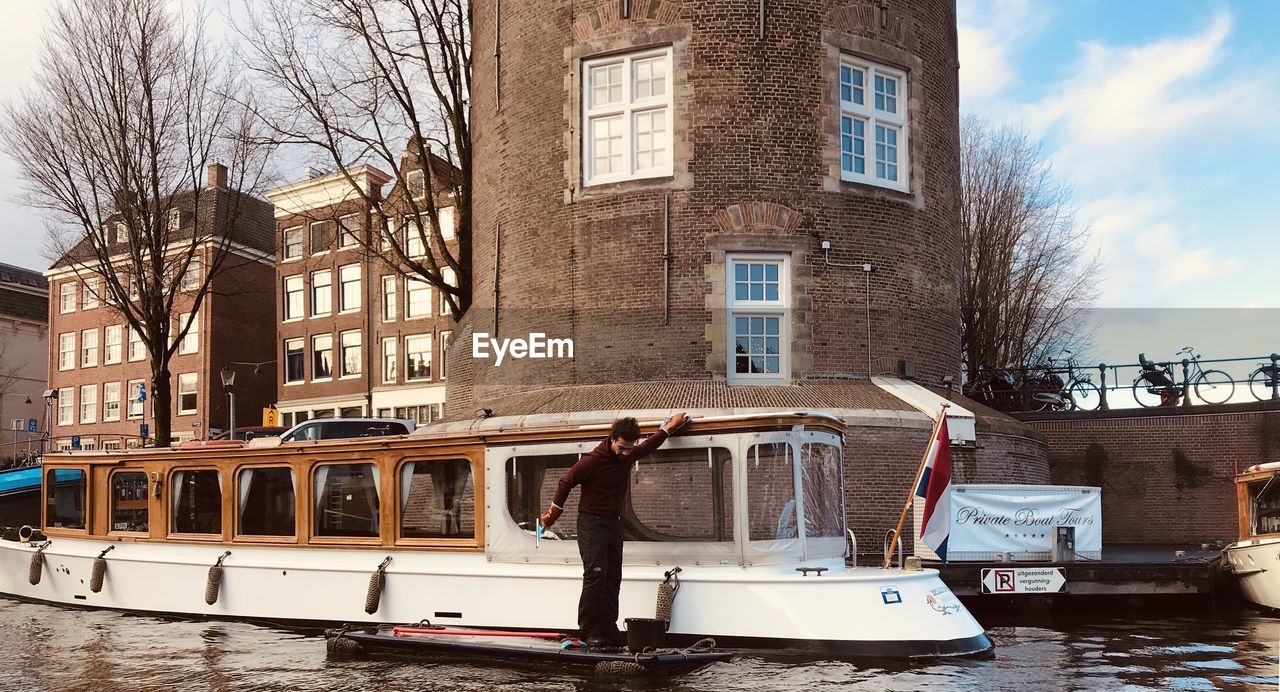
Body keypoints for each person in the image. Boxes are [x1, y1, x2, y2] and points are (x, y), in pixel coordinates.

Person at [539, 412, 690, 647]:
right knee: (595, 576)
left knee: (613, 576)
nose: (626, 453)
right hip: (591, 523)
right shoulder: (592, 460)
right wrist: (552, 515)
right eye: (622, 447)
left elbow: (650, 445)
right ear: (612, 439)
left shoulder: (627, 456)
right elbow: (566, 482)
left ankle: (609, 627)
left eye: (630, 448)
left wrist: (669, 428)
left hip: (613, 523)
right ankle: (588, 630)